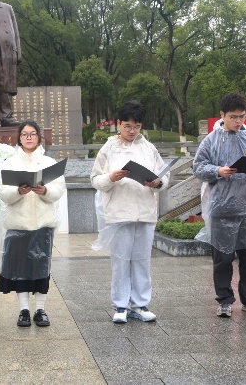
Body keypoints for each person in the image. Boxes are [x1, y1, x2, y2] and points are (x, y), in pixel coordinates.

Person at [193, 93, 246, 318]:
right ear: (222, 115)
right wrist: (218, 171)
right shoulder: (211, 141)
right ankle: (225, 300)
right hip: (221, 209)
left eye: (242, 117)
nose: (238, 121)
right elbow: (198, 167)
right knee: (223, 259)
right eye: (233, 117)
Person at [90, 101, 169, 324]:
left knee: (142, 260)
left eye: (136, 127)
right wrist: (111, 177)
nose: (132, 131)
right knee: (121, 261)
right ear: (119, 124)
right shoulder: (109, 148)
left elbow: (164, 175)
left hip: (145, 211)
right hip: (119, 213)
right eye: (127, 126)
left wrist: (158, 182)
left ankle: (141, 304)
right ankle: (121, 305)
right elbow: (95, 179)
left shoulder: (149, 148)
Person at [0, 120, 66, 327]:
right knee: (21, 270)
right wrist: (18, 191)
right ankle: (23, 310)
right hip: (18, 224)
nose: (29, 137)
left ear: (39, 137)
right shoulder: (9, 164)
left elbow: (59, 189)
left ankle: (40, 309)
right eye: (25, 134)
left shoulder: (49, 163)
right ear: (19, 137)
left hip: (43, 223)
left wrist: (45, 191)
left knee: (41, 268)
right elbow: (1, 190)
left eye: (32, 134)